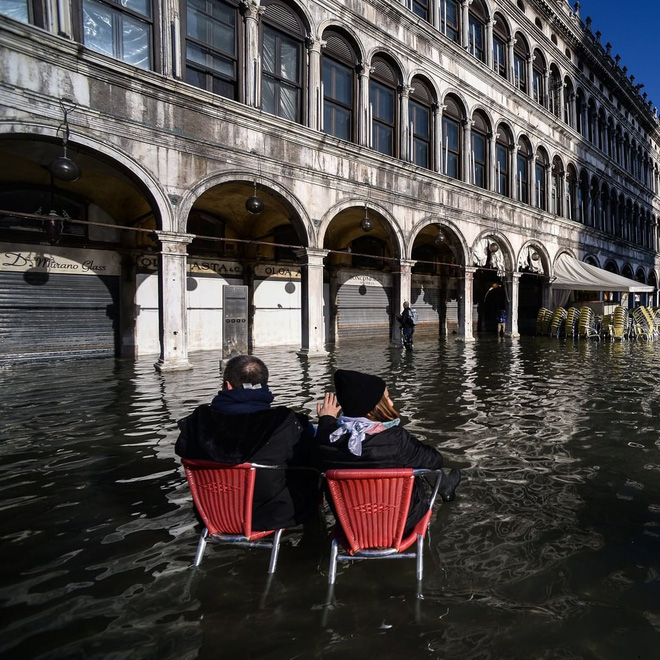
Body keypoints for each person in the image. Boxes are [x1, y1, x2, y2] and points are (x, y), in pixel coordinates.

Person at [175, 354, 319, 531]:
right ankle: (314, 546)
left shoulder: (196, 422)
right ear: (264, 385)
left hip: (212, 514)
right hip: (272, 515)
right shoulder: (288, 422)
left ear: (227, 385)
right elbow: (315, 455)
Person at [315, 369, 461, 534]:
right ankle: (447, 488)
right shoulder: (396, 439)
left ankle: (446, 487)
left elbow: (320, 444)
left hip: (351, 528)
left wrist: (326, 421)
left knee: (412, 457)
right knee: (417, 460)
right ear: (372, 410)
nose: (391, 403)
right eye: (387, 398)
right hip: (402, 524)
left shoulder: (326, 440)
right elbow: (436, 460)